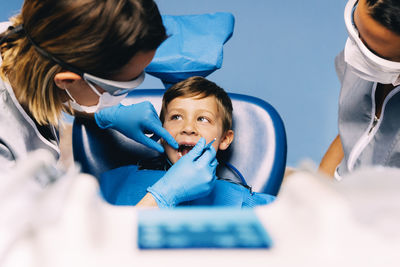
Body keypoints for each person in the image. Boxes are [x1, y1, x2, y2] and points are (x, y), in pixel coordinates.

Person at [0, 0, 217, 205]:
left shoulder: (30, 38)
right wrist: (163, 198)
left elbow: (53, 89)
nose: (188, 128)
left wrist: (102, 114)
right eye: (118, 88)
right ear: (66, 80)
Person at [100, 76, 276, 207]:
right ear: (160, 132)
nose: (188, 128)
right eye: (176, 117)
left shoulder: (239, 199)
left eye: (203, 119)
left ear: (224, 139)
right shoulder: (121, 180)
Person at [319, 0, 400, 179]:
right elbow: (355, 127)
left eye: (373, 53)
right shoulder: (364, 49)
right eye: (356, 29)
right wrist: (319, 188)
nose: (356, 51)